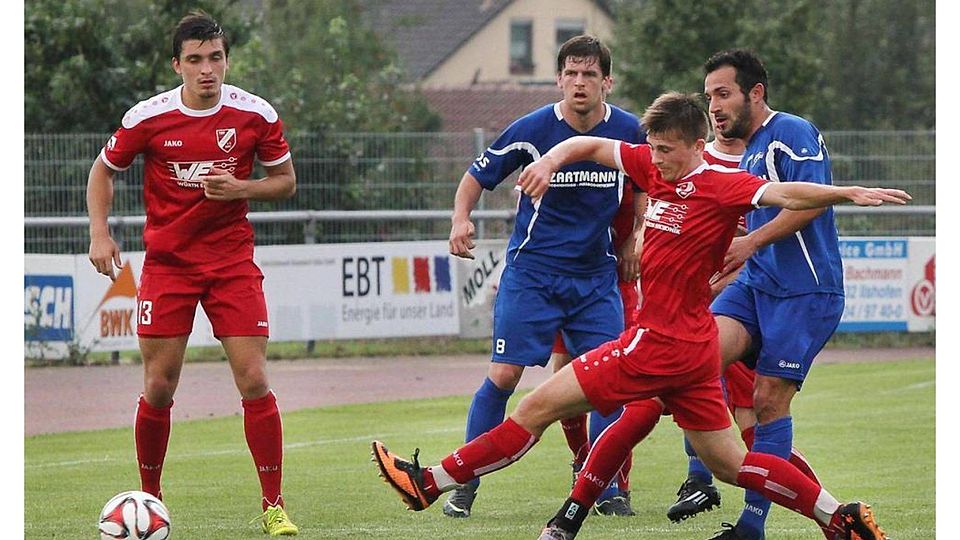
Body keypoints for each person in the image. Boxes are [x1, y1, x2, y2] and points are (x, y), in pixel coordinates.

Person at [371, 91, 904, 540]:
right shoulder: (652, 163)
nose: (657, 159)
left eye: (668, 150)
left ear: (698, 146)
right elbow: (593, 144)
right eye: (652, 147)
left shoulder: (722, 185)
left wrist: (846, 192)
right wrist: (550, 160)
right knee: (732, 465)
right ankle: (840, 518)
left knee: (534, 407)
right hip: (690, 349)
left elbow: (786, 191)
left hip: (661, 344)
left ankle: (432, 483)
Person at [86, 11, 298, 536]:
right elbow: (102, 170)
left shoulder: (256, 114)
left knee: (253, 378)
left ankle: (273, 505)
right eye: (196, 60)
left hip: (231, 263)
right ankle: (149, 502)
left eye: (216, 58)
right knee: (159, 385)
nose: (208, 70)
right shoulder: (148, 117)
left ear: (226, 60)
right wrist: (99, 232)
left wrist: (241, 188)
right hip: (169, 266)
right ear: (177, 64)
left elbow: (286, 181)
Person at [442, 34, 645, 518]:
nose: (579, 82)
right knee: (505, 375)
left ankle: (608, 486)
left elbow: (645, 184)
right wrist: (460, 218)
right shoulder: (532, 129)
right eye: (571, 73)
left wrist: (638, 231)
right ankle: (463, 481)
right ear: (558, 80)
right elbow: (476, 176)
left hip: (595, 278)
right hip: (533, 274)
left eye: (589, 74)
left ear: (607, 83)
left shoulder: (629, 131)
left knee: (608, 383)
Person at [690, 48, 847, 540]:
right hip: (758, 284)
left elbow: (812, 201)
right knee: (689, 359)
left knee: (767, 401)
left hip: (804, 291)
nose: (713, 106)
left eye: (723, 94)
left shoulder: (792, 132)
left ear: (755, 93)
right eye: (709, 95)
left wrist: (750, 242)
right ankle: (698, 471)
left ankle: (752, 526)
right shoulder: (750, 147)